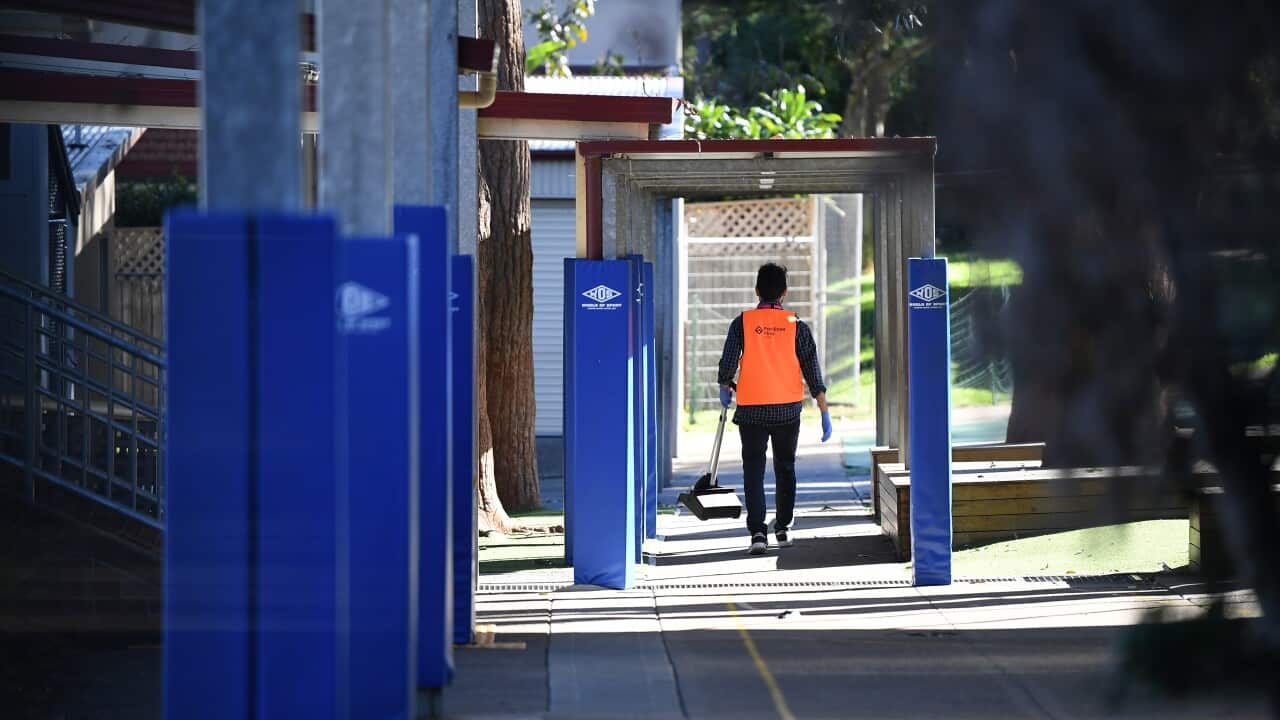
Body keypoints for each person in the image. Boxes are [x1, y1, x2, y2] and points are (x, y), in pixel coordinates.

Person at [718, 262, 831, 556]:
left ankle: (758, 532)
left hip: (751, 409)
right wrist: (824, 410)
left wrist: (725, 385)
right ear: (785, 293)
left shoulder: (742, 323)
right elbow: (812, 370)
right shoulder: (796, 325)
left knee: (753, 470)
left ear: (757, 291)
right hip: (787, 410)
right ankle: (782, 527)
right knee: (785, 466)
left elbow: (728, 362)